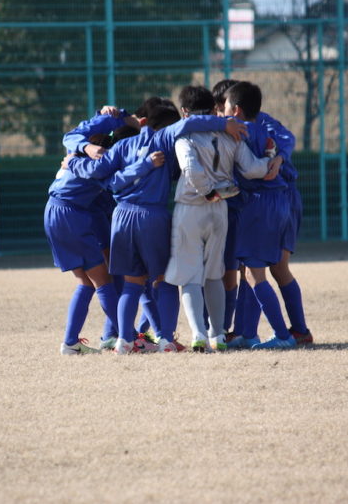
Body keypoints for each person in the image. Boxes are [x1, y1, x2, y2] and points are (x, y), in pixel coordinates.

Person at [66, 105, 247, 354]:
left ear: (142, 121)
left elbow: (100, 173)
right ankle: (165, 340)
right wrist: (223, 124)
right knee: (164, 281)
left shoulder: (121, 146)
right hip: (153, 216)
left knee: (131, 284)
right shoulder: (163, 140)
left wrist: (73, 162)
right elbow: (188, 124)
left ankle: (124, 340)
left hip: (122, 216)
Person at [164, 85, 273, 352]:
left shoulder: (185, 137)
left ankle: (199, 334)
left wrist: (207, 191)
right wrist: (271, 157)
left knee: (190, 276)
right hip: (220, 209)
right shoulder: (230, 135)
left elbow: (190, 169)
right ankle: (218, 334)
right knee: (215, 274)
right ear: (214, 108)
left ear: (184, 112)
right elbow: (253, 169)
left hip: (191, 207)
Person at [46, 109, 160, 355]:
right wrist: (146, 164)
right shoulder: (102, 160)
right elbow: (114, 180)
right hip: (72, 215)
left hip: (54, 211)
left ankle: (71, 343)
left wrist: (116, 115)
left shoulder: (82, 146)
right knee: (103, 282)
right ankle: (128, 338)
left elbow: (74, 135)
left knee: (85, 282)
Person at [222, 81, 297, 349]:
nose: (222, 112)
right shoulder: (267, 127)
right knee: (252, 271)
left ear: (236, 110)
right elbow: (288, 138)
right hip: (278, 201)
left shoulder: (237, 131)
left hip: (258, 202)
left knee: (255, 275)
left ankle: (283, 336)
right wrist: (280, 158)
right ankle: (248, 334)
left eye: (225, 107)